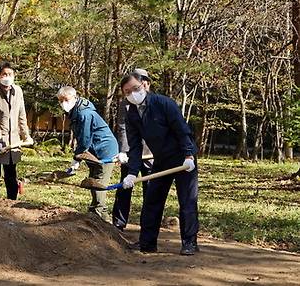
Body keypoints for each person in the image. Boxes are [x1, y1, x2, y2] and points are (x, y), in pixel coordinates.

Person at [119, 71, 199, 255]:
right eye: (127, 92)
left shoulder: (164, 104)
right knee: (152, 200)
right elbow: (135, 145)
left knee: (187, 201)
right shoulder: (131, 113)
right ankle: (147, 243)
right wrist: (132, 172)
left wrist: (188, 155)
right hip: (161, 159)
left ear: (145, 85)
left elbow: (182, 130)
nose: (132, 94)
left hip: (182, 158)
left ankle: (189, 243)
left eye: (135, 88)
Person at [57, 86, 118, 221]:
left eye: (65, 99)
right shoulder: (75, 112)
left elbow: (85, 139)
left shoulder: (85, 114)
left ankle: (102, 215)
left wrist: (76, 159)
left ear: (74, 97)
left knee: (98, 182)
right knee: (92, 180)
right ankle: (94, 210)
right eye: (60, 101)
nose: (63, 103)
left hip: (105, 149)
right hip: (93, 150)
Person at [111, 68, 154, 231]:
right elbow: (122, 127)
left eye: (144, 81)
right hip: (131, 154)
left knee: (150, 191)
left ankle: (148, 228)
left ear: (147, 84)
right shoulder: (126, 104)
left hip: (151, 154)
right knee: (125, 187)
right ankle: (118, 224)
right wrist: (123, 150)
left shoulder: (156, 102)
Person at [0, 62, 32, 200]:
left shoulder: (18, 91)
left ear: (14, 76)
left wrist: (26, 136)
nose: (7, 77)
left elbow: (21, 115)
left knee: (11, 173)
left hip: (13, 141)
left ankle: (11, 202)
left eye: (10, 74)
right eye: (4, 74)